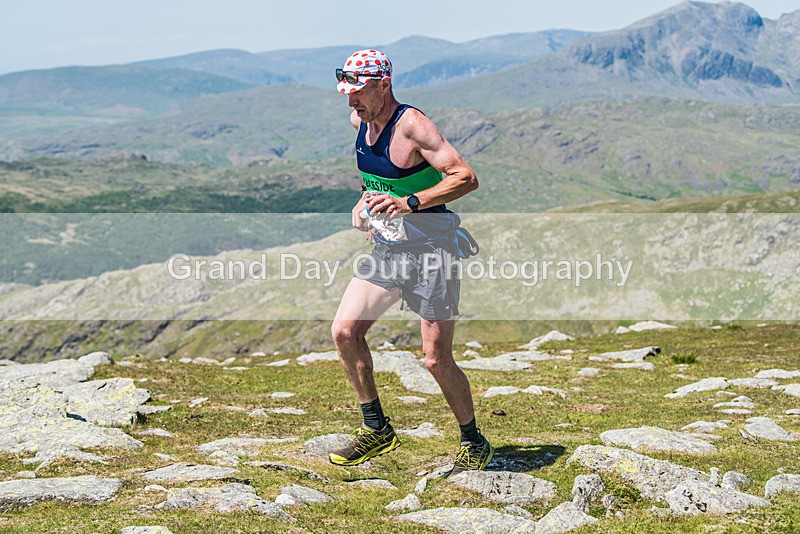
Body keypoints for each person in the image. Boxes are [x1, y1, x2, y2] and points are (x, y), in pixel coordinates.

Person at [329, 49, 493, 476]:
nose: (351, 102)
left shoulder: (413, 126)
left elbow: (465, 177)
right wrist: (364, 202)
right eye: (346, 93)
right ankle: (376, 428)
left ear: (384, 85)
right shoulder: (359, 122)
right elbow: (376, 177)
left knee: (436, 359)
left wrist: (410, 202)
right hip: (389, 251)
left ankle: (474, 441)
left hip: (433, 253)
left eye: (359, 92)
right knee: (344, 332)